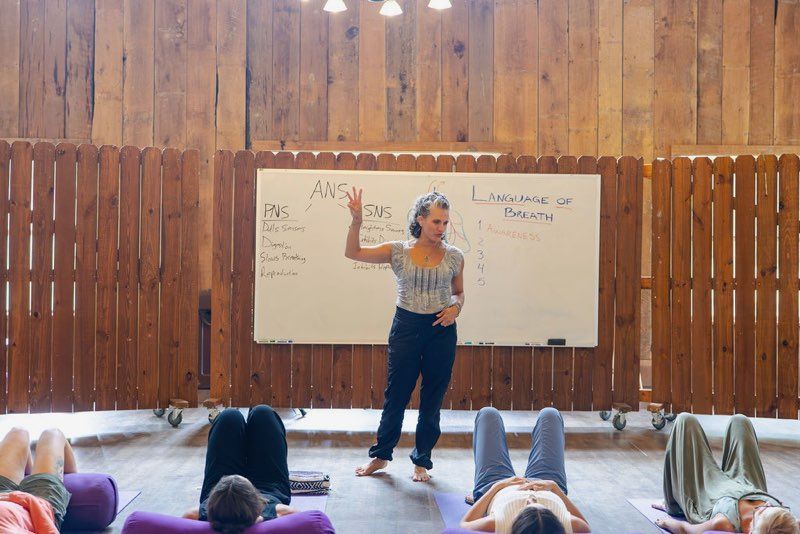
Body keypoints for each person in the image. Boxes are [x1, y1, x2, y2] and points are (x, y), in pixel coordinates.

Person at [346, 188, 465, 482]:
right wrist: (357, 220)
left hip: (441, 329)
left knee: (432, 397)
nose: (441, 228)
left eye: (445, 223)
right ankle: (381, 456)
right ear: (421, 220)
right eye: (436, 221)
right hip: (407, 327)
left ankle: (422, 460)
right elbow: (353, 252)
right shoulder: (397, 250)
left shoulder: (454, 256)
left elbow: (459, 294)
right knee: (396, 394)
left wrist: (456, 309)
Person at [654, 413, 799, 534]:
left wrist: (667, 523)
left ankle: (672, 504)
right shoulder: (785, 524)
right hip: (749, 484)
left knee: (685, 420)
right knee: (740, 421)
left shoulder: (724, 523)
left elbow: (687, 530)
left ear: (751, 529)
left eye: (762, 511)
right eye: (771, 507)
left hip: (712, 490)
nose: (767, 504)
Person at [459, 407, 591, 533]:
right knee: (550, 414)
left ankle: (479, 495)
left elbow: (464, 526)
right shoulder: (560, 524)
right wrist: (555, 488)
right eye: (541, 505)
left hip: (497, 486)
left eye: (528, 505)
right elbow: (585, 526)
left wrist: (496, 487)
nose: (531, 497)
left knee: (488, 414)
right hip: (547, 484)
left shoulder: (501, 522)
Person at [183, 405, 298, 533]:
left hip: (221, 497)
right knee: (263, 414)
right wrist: (259, 520)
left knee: (229, 417)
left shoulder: (195, 515)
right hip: (268, 490)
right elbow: (312, 522)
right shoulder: (280, 513)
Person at [0, 427, 76, 533]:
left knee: (18, 432)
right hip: (38, 509)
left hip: (3, 496)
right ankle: (40, 477)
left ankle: (32, 475)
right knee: (52, 434)